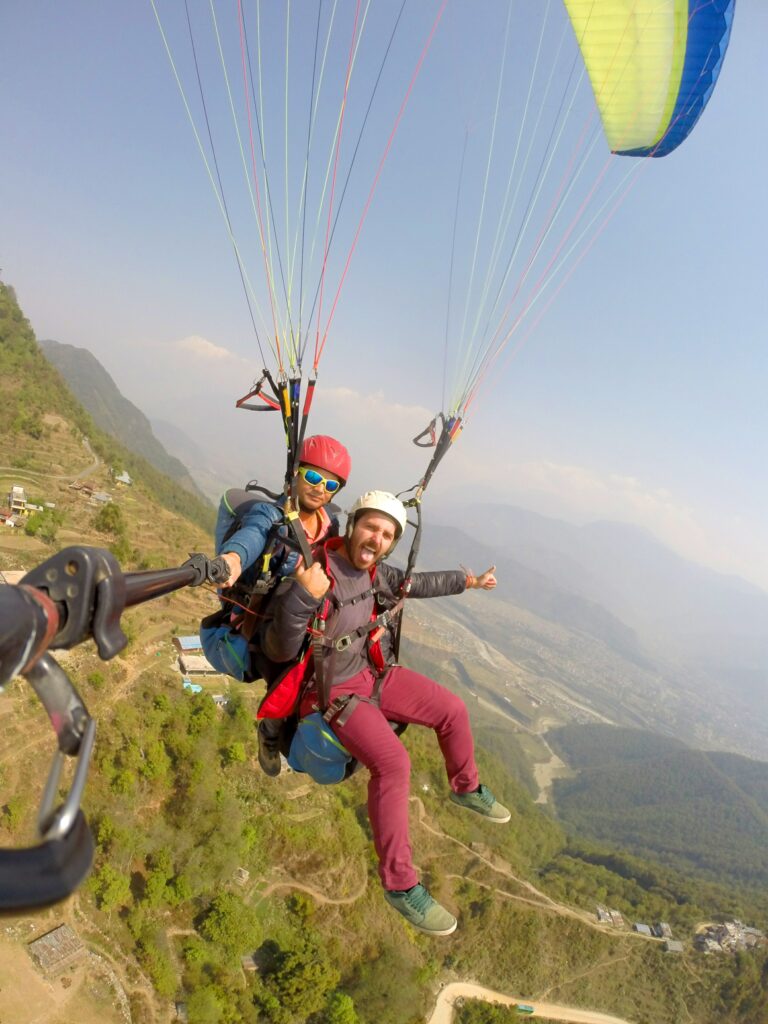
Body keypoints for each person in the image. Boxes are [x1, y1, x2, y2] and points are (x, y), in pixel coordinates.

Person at [260, 489, 509, 936]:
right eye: (371, 526)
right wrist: (300, 595)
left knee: (451, 709)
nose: (377, 537)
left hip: (374, 674)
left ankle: (465, 786)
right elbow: (278, 648)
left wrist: (468, 581)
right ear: (353, 525)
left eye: (387, 534)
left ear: (392, 545)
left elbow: (421, 584)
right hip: (334, 691)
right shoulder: (317, 572)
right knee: (394, 763)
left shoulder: (378, 575)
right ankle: (399, 884)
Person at [200, 434, 351, 776]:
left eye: (330, 484)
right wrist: (233, 559)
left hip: (304, 618)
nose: (320, 488)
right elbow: (253, 533)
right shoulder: (272, 514)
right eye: (313, 477)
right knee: (289, 676)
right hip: (263, 623)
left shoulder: (331, 525)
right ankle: (270, 733)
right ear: (296, 472)